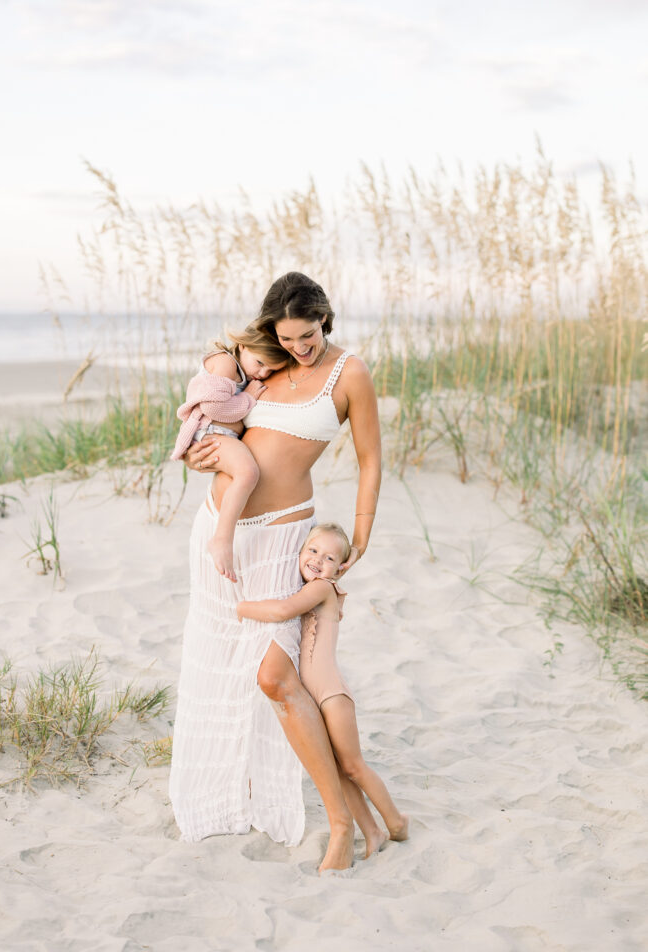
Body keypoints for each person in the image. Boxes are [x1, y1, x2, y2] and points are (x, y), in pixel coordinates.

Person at [169, 272, 381, 872]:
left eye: (308, 335)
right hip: (222, 535)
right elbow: (213, 426)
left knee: (275, 678)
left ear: (325, 320)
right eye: (288, 338)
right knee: (229, 674)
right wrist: (198, 455)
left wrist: (362, 528)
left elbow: (370, 459)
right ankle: (246, 798)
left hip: (286, 540)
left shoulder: (349, 374)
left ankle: (341, 822)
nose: (298, 348)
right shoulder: (265, 361)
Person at [237, 522, 409, 857]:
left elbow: (282, 611)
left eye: (329, 557)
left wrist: (240, 608)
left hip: (332, 696)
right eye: (312, 551)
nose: (318, 560)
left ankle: (397, 822)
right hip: (314, 696)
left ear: (340, 569)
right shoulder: (308, 585)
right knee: (338, 770)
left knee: (354, 766)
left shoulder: (321, 588)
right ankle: (372, 833)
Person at [170, 324, 288, 581]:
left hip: (222, 435)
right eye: (260, 363)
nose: (262, 372)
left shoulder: (243, 369)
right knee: (247, 473)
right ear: (243, 346)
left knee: (246, 473)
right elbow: (213, 408)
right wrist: (248, 399)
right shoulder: (225, 362)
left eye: (271, 370)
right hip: (211, 433)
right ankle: (222, 539)